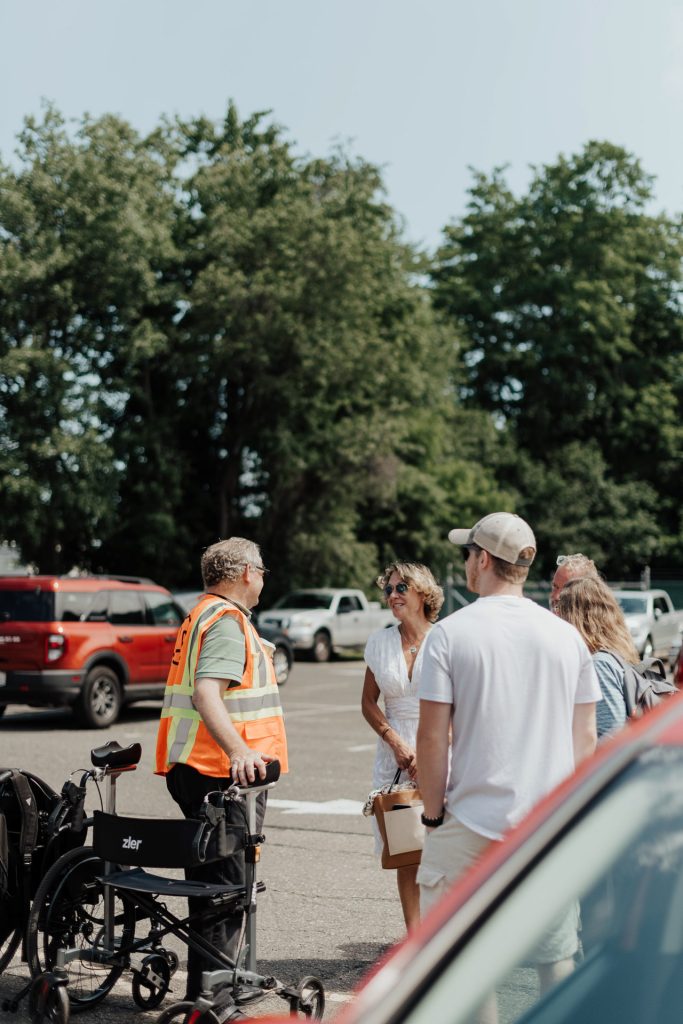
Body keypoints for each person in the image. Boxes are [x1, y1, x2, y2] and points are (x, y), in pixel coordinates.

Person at [416, 512, 600, 1010]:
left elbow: (432, 740)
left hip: (472, 818)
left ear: (483, 560)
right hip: (545, 822)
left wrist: (433, 816)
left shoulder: (450, 634)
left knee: (465, 960)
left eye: (468, 554)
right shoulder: (567, 637)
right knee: (555, 954)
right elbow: (585, 739)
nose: (466, 563)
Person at [155, 537, 288, 1002]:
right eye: (263, 570)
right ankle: (213, 1001)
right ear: (246, 572)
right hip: (223, 778)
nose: (265, 578)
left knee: (211, 888)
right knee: (226, 892)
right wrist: (240, 753)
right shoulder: (227, 622)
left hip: (197, 769)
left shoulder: (201, 614)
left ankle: (209, 991)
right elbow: (206, 693)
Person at [361, 561, 444, 931]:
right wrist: (393, 740)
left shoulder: (446, 639)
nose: (392, 595)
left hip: (442, 746)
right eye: (389, 589)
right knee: (407, 848)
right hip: (394, 755)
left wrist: (429, 754)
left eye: (401, 588)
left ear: (423, 593)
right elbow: (367, 702)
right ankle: (415, 938)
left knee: (442, 848)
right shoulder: (379, 642)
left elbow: (462, 705)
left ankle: (445, 931)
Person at [556, 576, 640, 738]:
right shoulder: (616, 652)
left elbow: (608, 735)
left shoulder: (599, 664)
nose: (557, 616)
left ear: (575, 617)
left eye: (560, 609)